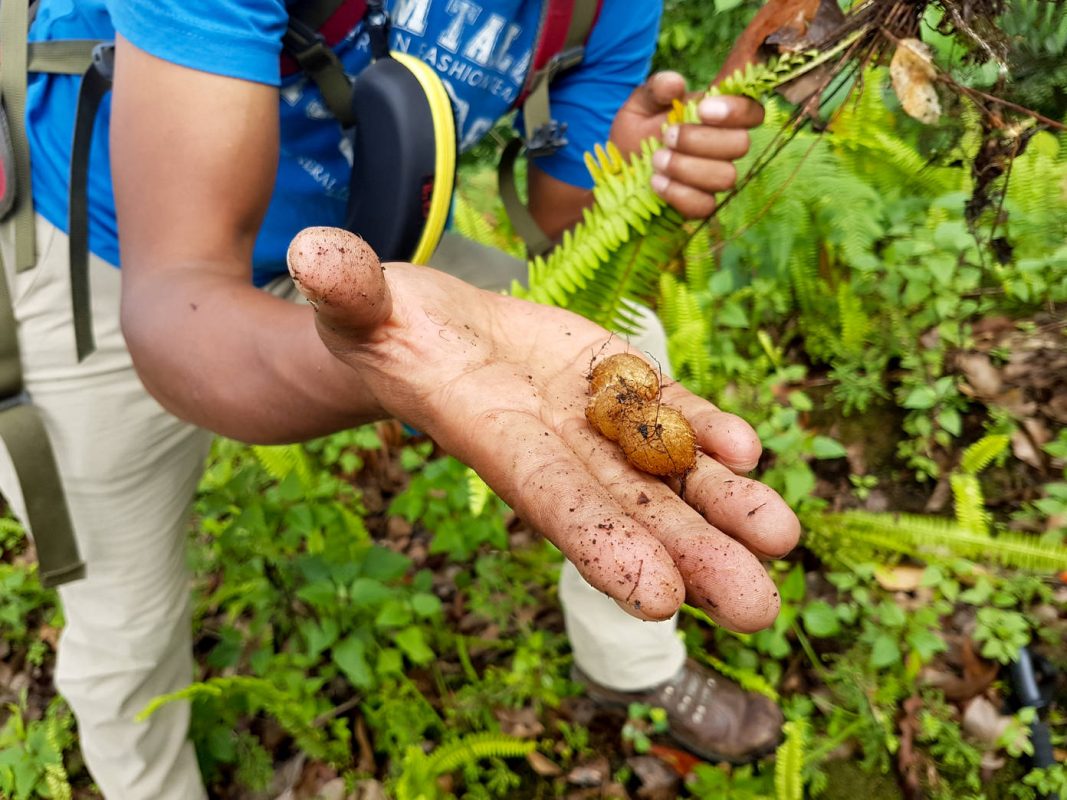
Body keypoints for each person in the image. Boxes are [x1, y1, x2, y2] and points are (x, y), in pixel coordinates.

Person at [0, 0, 800, 796]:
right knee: (123, 615)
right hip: (109, 246)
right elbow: (178, 299)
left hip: (373, 236)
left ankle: (630, 662)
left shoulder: (608, 7)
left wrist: (639, 165)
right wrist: (388, 362)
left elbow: (566, 221)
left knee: (625, 350)